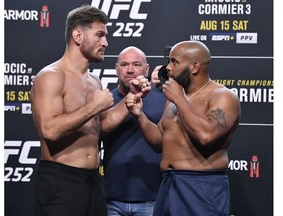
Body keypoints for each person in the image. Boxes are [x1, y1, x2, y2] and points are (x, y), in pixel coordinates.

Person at [30, 5, 150, 216]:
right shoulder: (51, 76)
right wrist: (94, 106)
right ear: (77, 35)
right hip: (61, 181)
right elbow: (49, 130)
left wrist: (131, 99)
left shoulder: (94, 81)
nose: (105, 42)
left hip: (93, 181)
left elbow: (100, 128)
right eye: (100, 35)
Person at [125, 40, 241, 216]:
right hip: (169, 184)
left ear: (194, 67)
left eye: (174, 62)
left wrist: (179, 99)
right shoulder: (175, 97)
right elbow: (159, 140)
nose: (168, 68)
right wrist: (139, 115)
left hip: (201, 186)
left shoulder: (223, 96)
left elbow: (206, 135)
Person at [101, 46, 166, 216]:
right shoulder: (104, 101)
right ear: (116, 69)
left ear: (147, 69)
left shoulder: (163, 99)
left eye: (136, 64)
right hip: (111, 197)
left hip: (153, 196)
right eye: (124, 64)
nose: (130, 70)